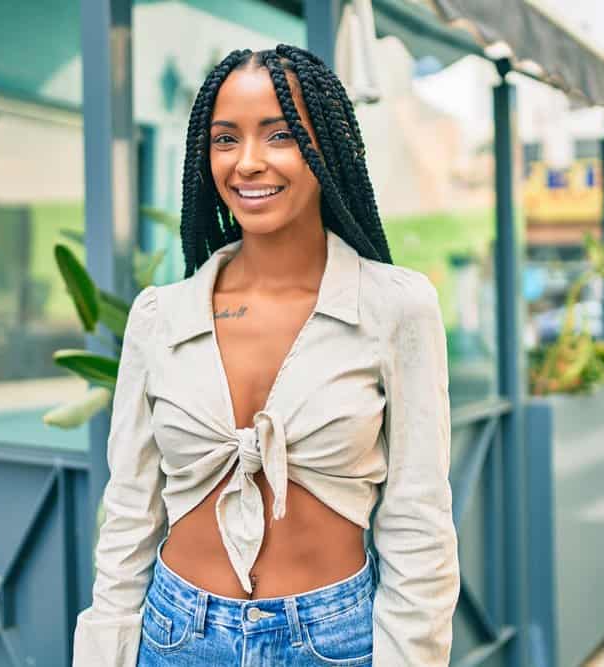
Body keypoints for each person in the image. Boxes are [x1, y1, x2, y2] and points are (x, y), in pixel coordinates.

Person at [73, 44, 459, 666]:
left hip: (332, 641)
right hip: (174, 635)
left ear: (325, 150)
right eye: (226, 140)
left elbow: (418, 520)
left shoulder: (396, 307)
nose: (248, 163)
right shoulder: (159, 316)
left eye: (279, 135)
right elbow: (129, 511)